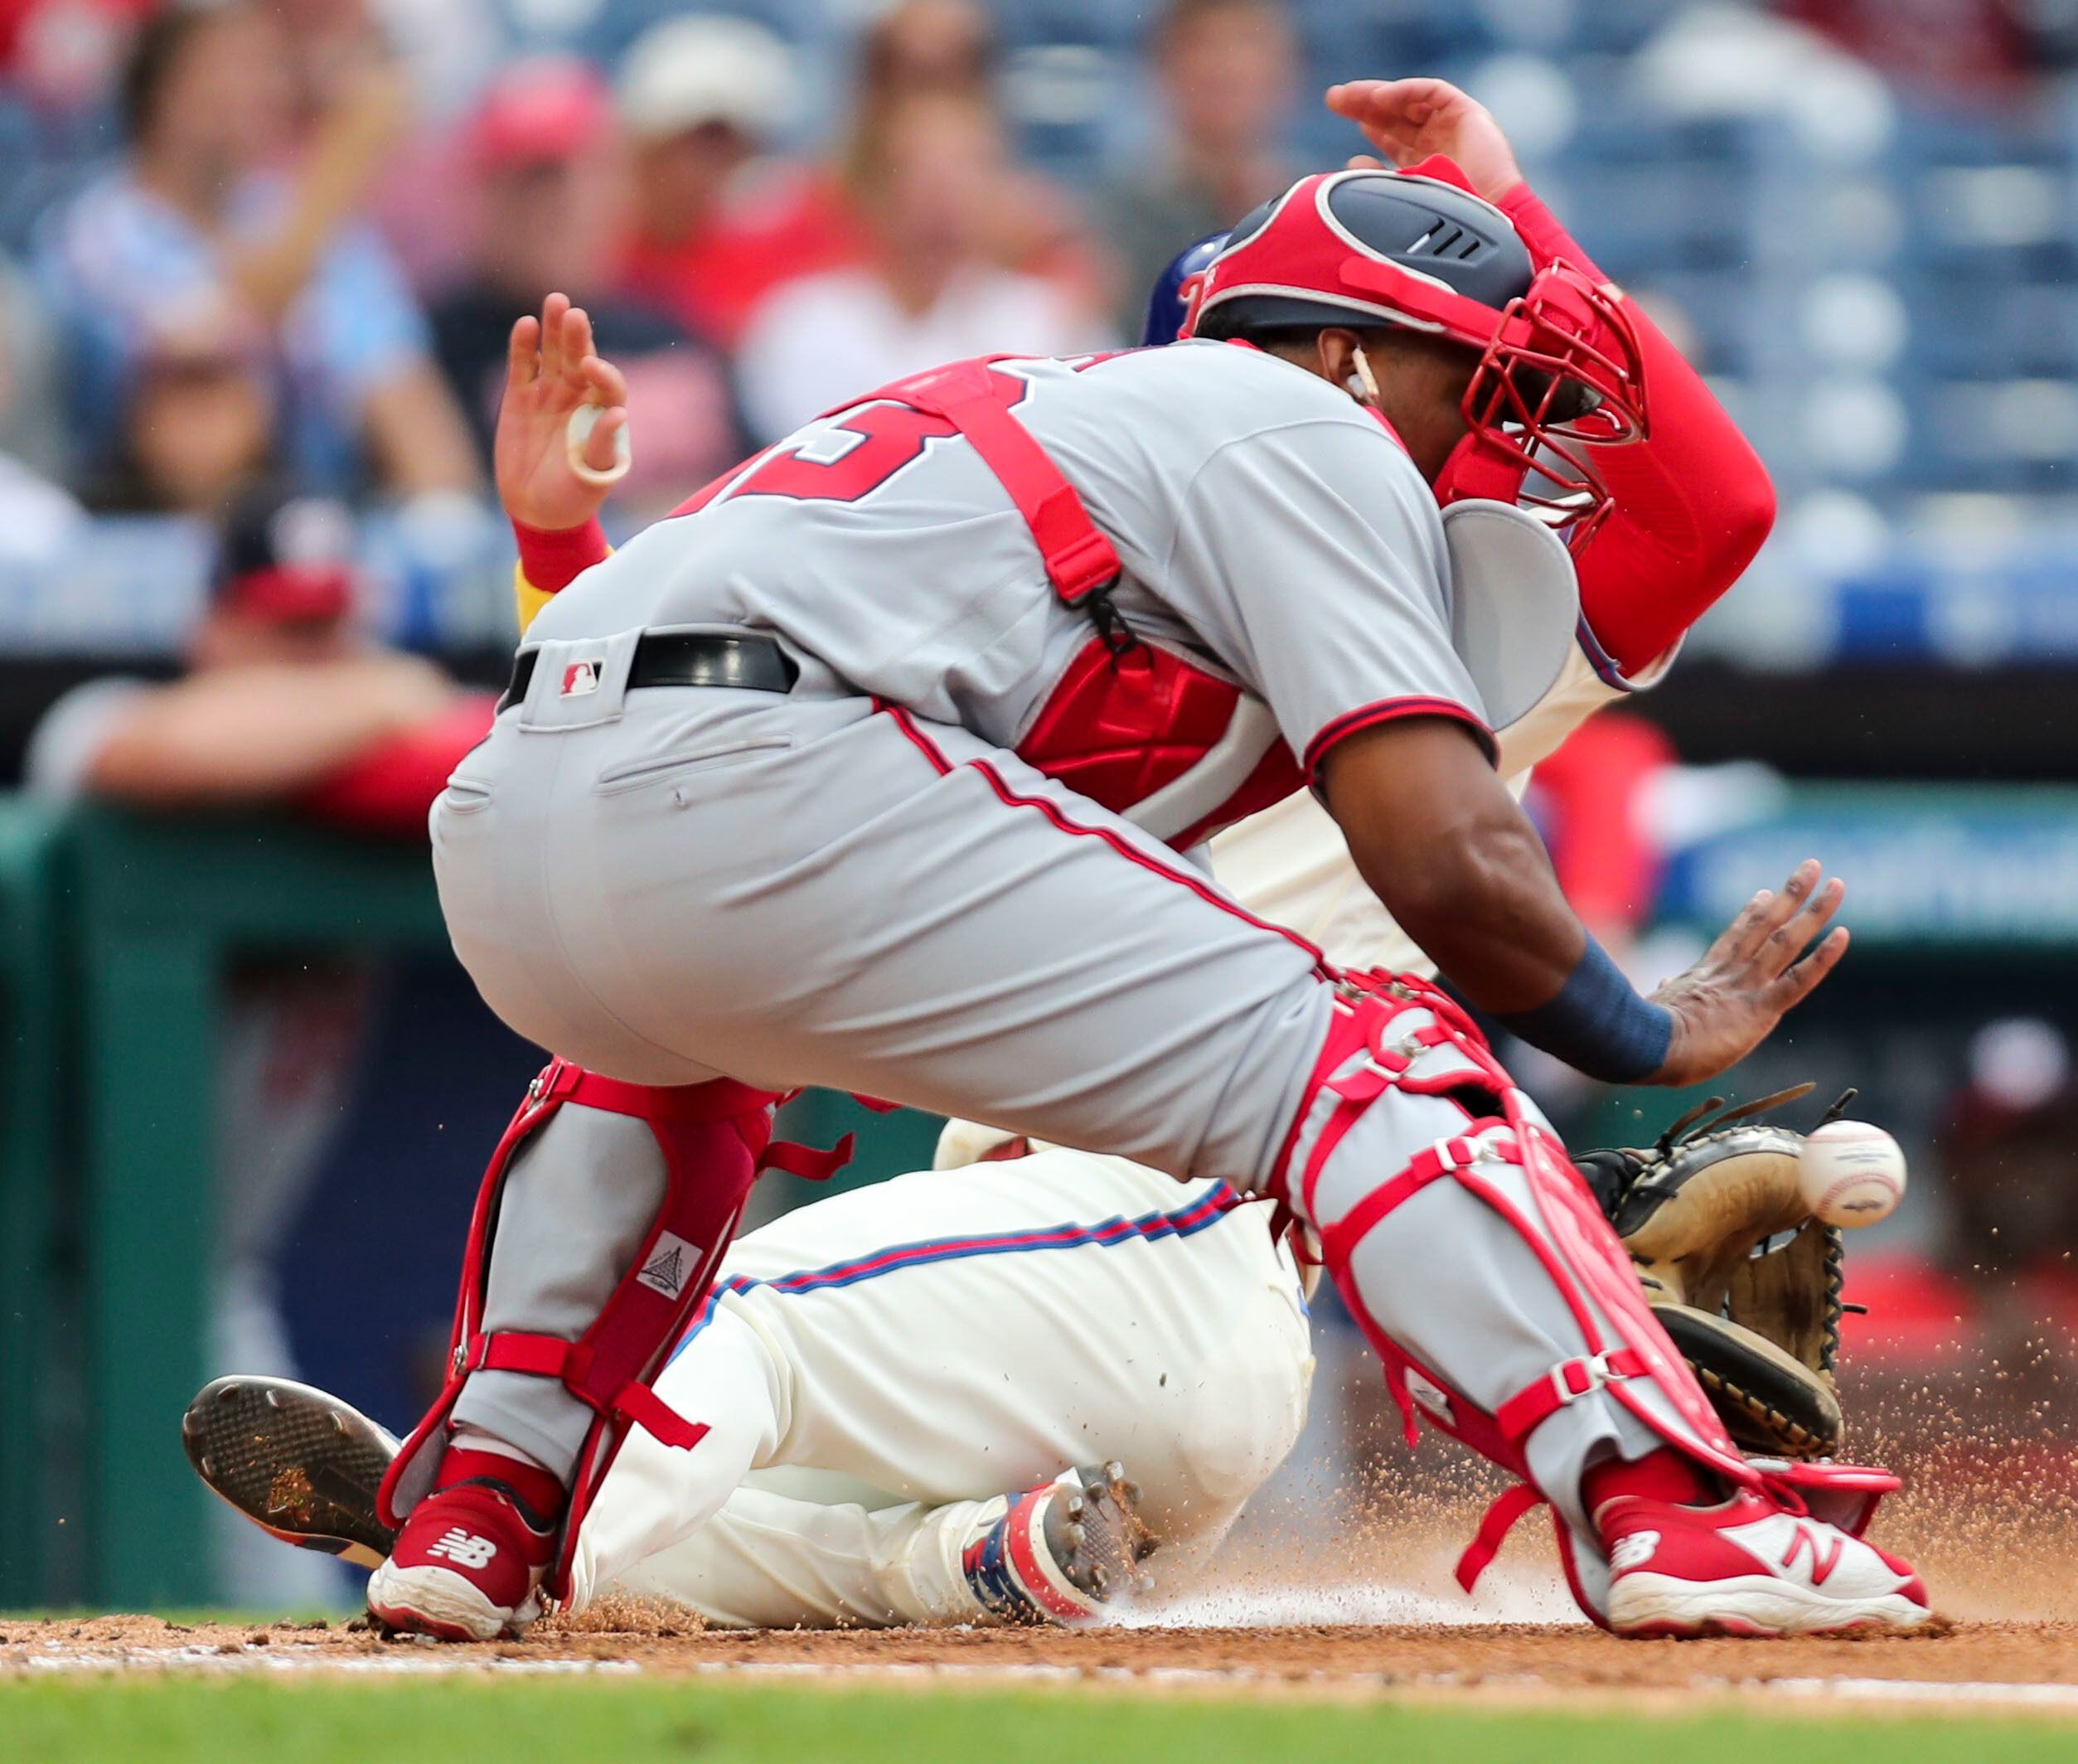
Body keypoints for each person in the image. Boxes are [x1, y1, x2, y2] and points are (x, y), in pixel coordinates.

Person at [363, 78, 1931, 1644]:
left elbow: (665, 712)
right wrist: (1647, 1036)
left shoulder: (1055, 444)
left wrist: (564, 548)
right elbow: (1446, 862)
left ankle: (488, 1499)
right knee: (1380, 1046)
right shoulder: (1306, 440)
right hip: (1073, 1103)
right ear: (1338, 355)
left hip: (528, 804)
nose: (1507, 435)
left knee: (667, 1048)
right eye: (1477, 383)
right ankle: (1665, 1503)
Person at [34, 1, 477, 502]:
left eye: (266, 66)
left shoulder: (308, 222)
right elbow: (208, 342)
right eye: (228, 65)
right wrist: (346, 155)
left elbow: (403, 394)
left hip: (323, 528)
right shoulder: (98, 233)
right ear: (159, 89)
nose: (257, 88)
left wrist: (444, 525)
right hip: (147, 532)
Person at [429, 56, 748, 519]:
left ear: (622, 185)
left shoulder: (671, 319)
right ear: (480, 193)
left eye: (585, 172)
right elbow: (448, 518)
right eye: (534, 178)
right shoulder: (436, 348)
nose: (564, 203)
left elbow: (762, 478)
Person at [734, 88, 1114, 443]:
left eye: (967, 167)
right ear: (870, 187)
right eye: (919, 170)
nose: (943, 193)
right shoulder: (802, 318)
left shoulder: (1047, 314)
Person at [611, 13, 856, 351]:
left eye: (727, 146)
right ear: (646, 153)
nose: (710, 168)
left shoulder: (798, 234)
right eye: (692, 145)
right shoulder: (608, 255)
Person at [1097, 0, 1301, 337]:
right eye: (1202, 45)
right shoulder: (1113, 210)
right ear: (1162, 68)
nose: (1226, 66)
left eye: (1246, 42)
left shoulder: (1318, 201)